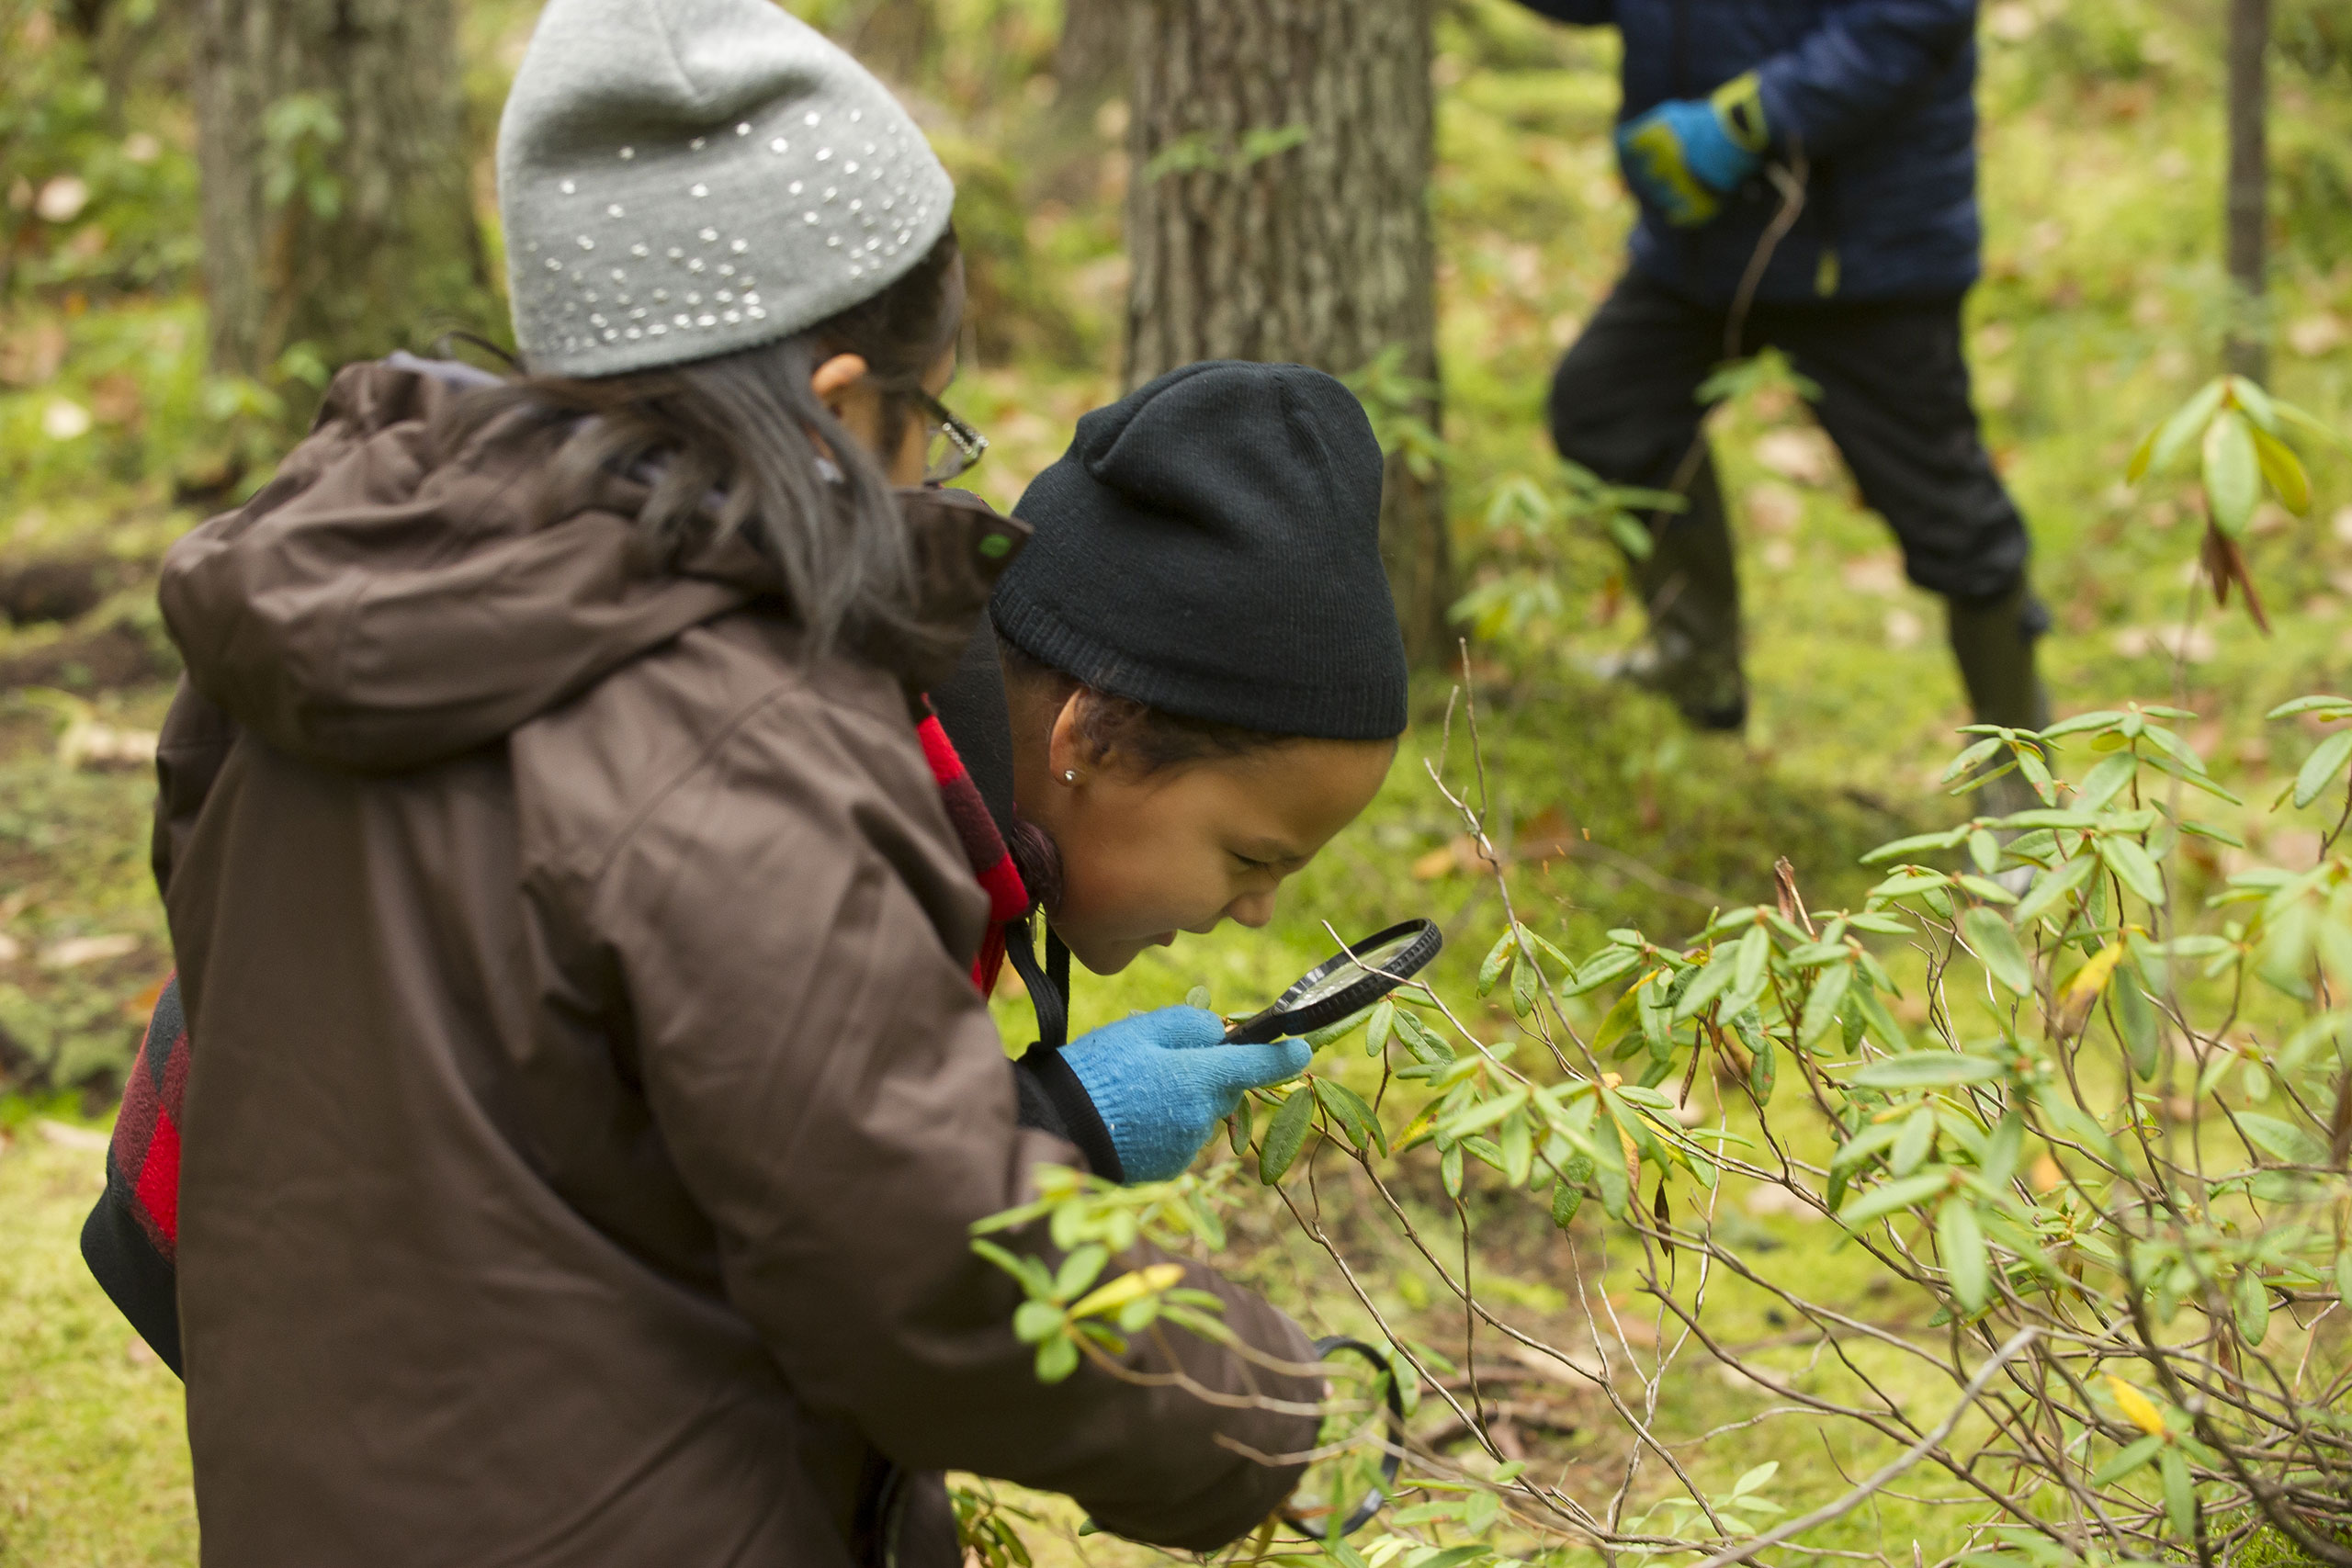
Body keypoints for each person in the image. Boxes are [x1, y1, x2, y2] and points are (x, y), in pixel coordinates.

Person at [81, 0, 1411, 1561]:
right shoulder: (735, 737)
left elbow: (546, 1117)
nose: (934, 485)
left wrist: (1033, 1114)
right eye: (931, 426)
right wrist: (1260, 1405)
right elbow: (921, 1267)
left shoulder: (323, 605)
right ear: (842, 411)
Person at [1512, 0, 2049, 749]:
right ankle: (1697, 663)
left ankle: (2024, 778)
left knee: (1948, 514)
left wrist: (1750, 120)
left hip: (1863, 256)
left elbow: (1917, 16)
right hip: (1704, 241)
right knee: (1606, 406)